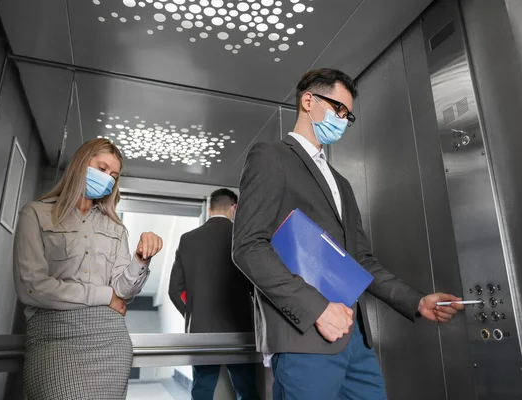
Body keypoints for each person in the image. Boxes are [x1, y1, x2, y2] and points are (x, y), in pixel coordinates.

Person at [232, 68, 465, 400]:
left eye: (347, 115)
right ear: (308, 101)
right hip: (306, 337)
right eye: (337, 108)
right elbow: (248, 247)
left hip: (355, 339)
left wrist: (416, 301)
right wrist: (317, 309)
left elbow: (362, 262)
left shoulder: (340, 182)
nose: (342, 119)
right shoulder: (271, 157)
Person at [13, 138, 163, 399]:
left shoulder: (116, 229)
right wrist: (105, 297)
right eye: (102, 169)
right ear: (81, 163)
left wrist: (140, 259)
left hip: (109, 341)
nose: (107, 179)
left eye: (113, 176)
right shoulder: (35, 214)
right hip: (52, 337)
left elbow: (123, 292)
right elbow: (32, 287)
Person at [169, 188, 259, 400]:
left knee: (202, 389)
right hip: (240, 329)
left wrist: (192, 313)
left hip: (200, 330)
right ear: (233, 208)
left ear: (209, 209)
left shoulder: (187, 239)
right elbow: (255, 284)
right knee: (246, 390)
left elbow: (175, 290)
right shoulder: (243, 238)